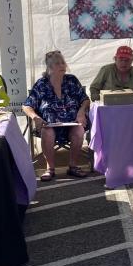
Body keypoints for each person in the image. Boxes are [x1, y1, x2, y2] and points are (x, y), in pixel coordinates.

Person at [23, 50, 90, 181]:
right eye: (58, 63)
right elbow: (27, 106)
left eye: (63, 63)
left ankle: (73, 166)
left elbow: (85, 100)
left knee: (79, 129)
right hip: (49, 126)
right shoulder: (42, 84)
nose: (62, 66)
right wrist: (35, 118)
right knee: (47, 131)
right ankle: (50, 169)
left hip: (72, 124)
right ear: (50, 68)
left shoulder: (71, 80)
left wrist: (81, 112)